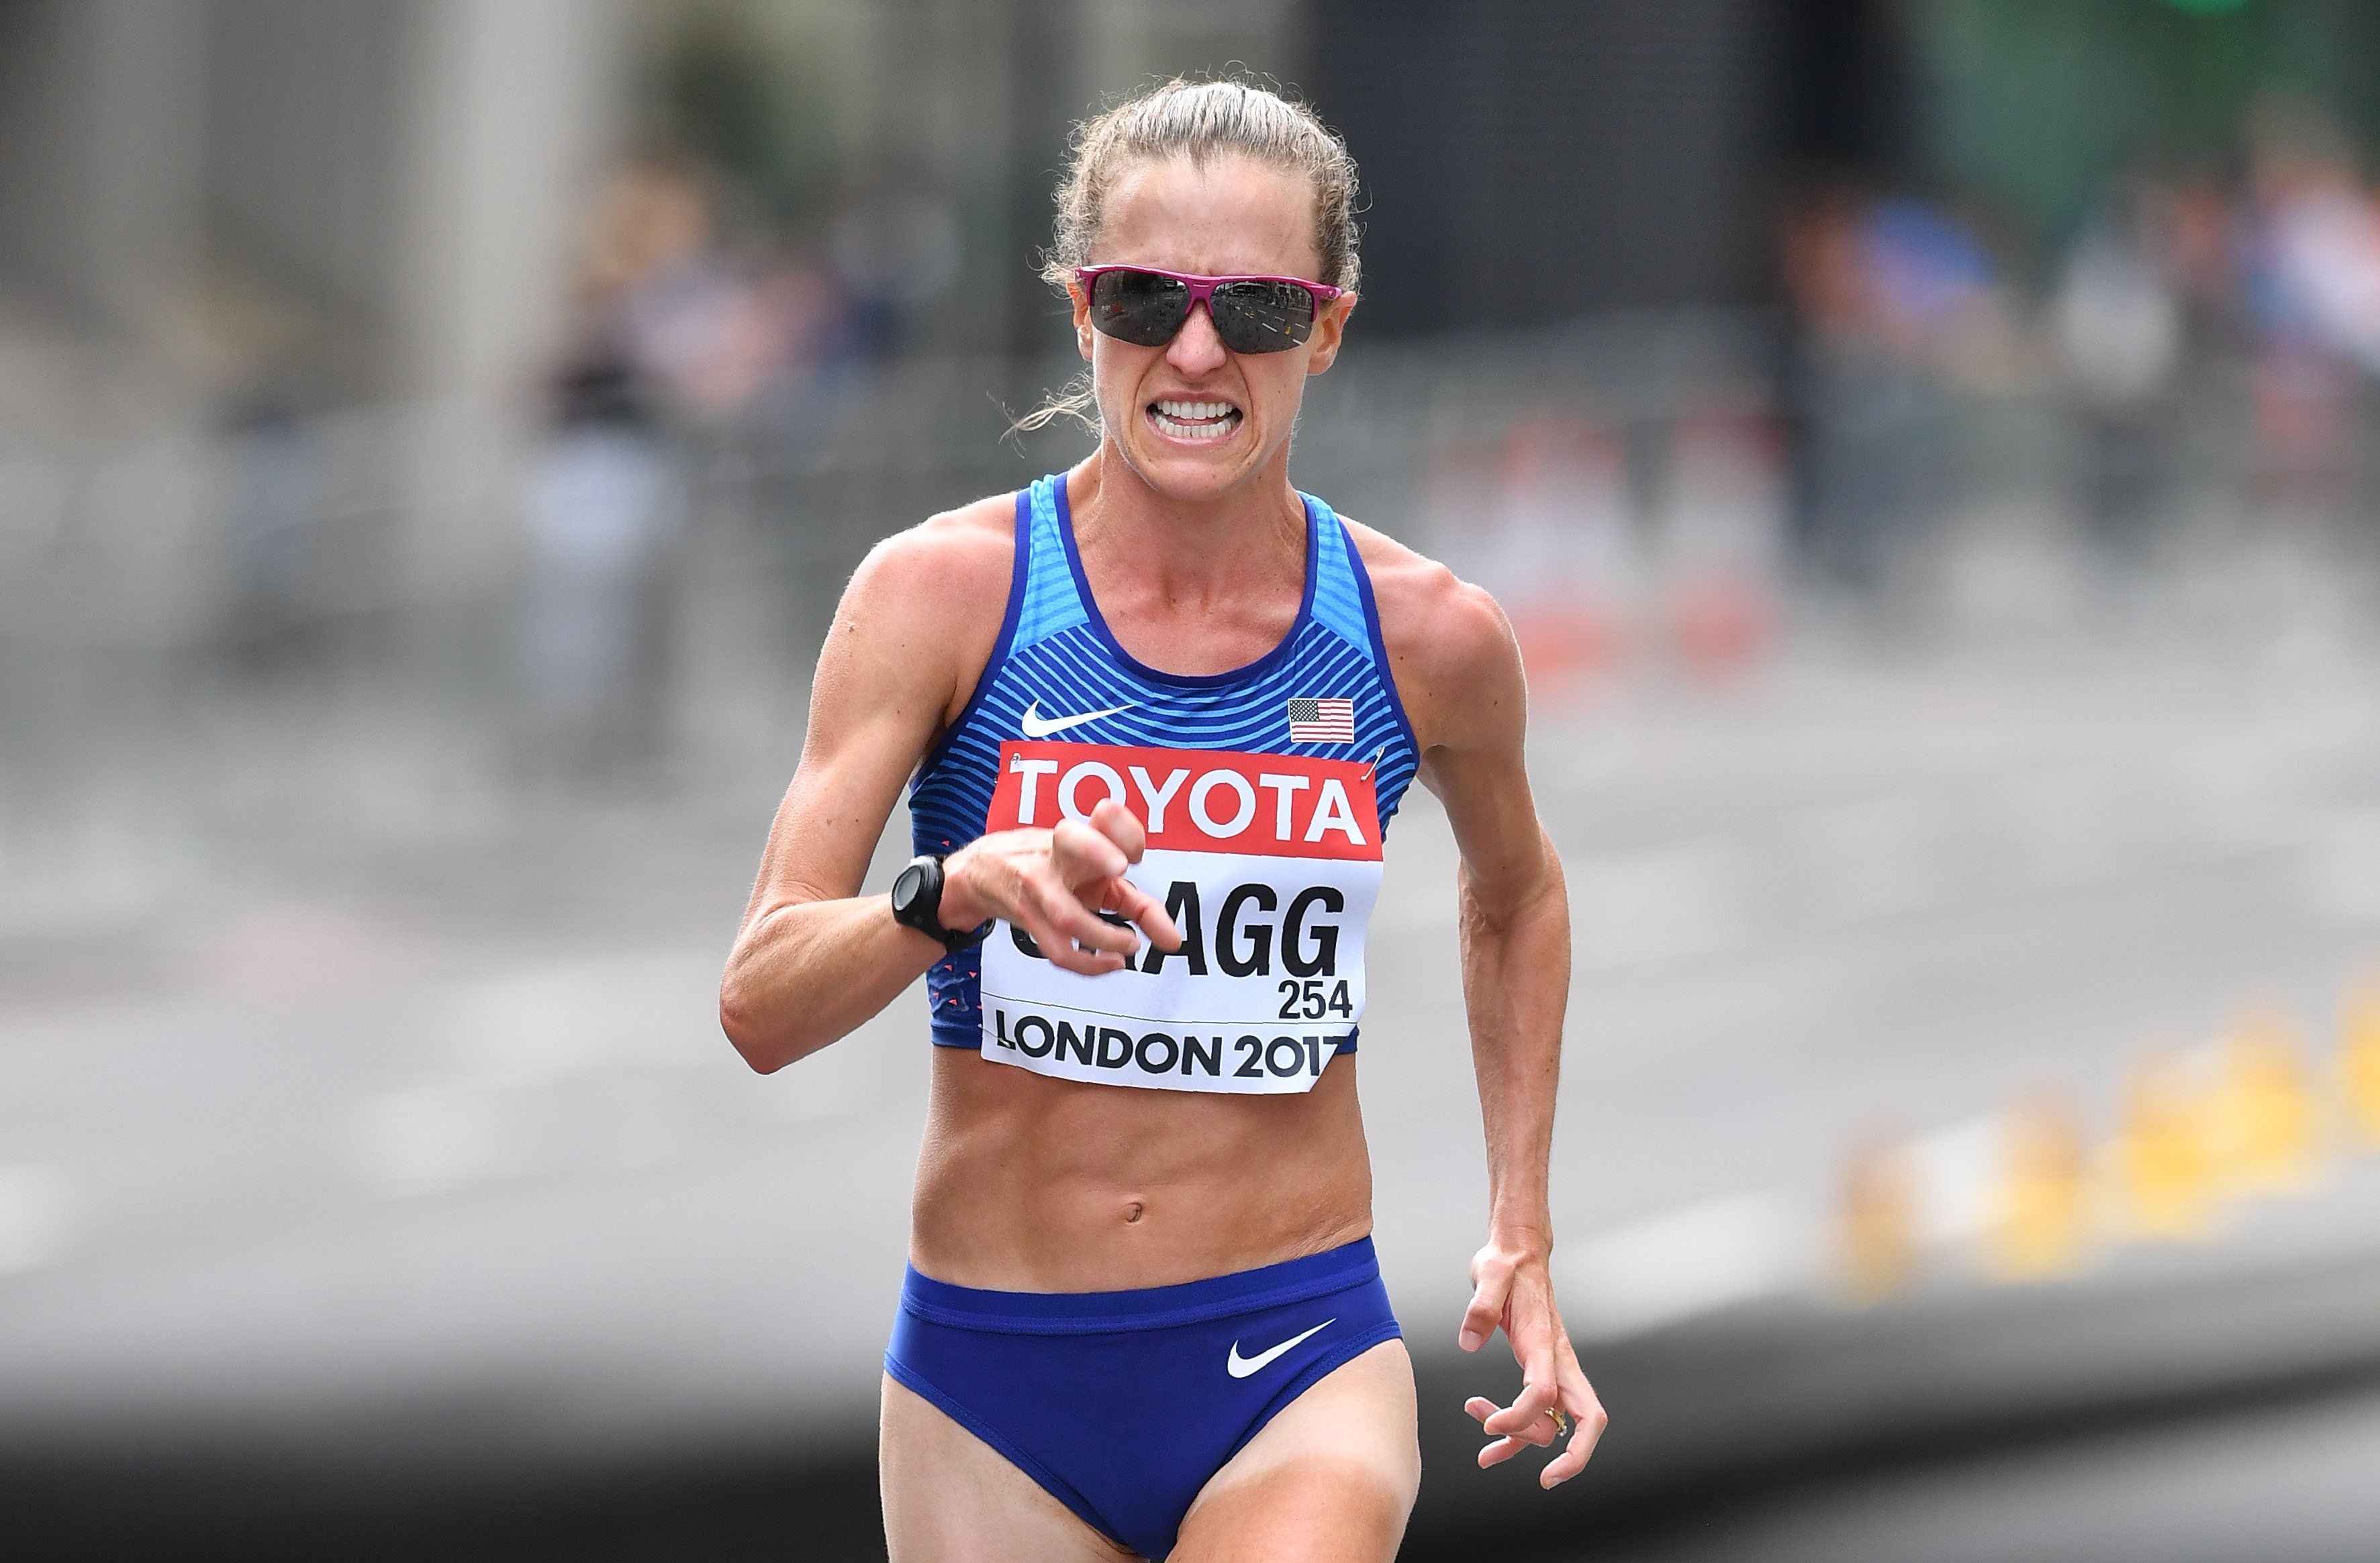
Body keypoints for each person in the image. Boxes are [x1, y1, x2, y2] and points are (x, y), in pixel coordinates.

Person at [721, 78, 1603, 1562]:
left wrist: (1521, 1222)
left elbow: (1516, 895)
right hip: (991, 1386)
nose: (1196, 352)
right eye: (1146, 298)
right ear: (1083, 313)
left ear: (1327, 327)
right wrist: (955, 890)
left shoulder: (1427, 636)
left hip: (1295, 1358)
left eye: (1255, 308)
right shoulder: (941, 597)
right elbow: (760, 1002)